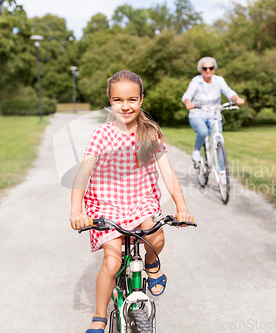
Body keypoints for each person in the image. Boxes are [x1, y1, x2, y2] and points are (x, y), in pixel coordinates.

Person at [69, 70, 193, 333]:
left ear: (141, 99)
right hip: (106, 204)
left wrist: (181, 208)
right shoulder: (101, 135)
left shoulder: (150, 133)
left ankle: (151, 263)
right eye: (117, 100)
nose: (125, 106)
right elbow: (83, 173)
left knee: (156, 235)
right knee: (112, 263)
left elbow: (168, 174)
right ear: (110, 101)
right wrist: (76, 210)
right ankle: (99, 315)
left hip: (140, 200)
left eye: (132, 100)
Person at [182, 57, 245, 163]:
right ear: (201, 70)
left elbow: (229, 92)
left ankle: (221, 175)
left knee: (218, 142)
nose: (208, 70)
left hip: (214, 115)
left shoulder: (219, 80)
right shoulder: (196, 81)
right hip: (197, 114)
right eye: (205, 68)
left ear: (214, 69)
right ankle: (196, 150)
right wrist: (188, 103)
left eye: (210, 68)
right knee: (203, 131)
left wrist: (237, 99)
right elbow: (187, 96)